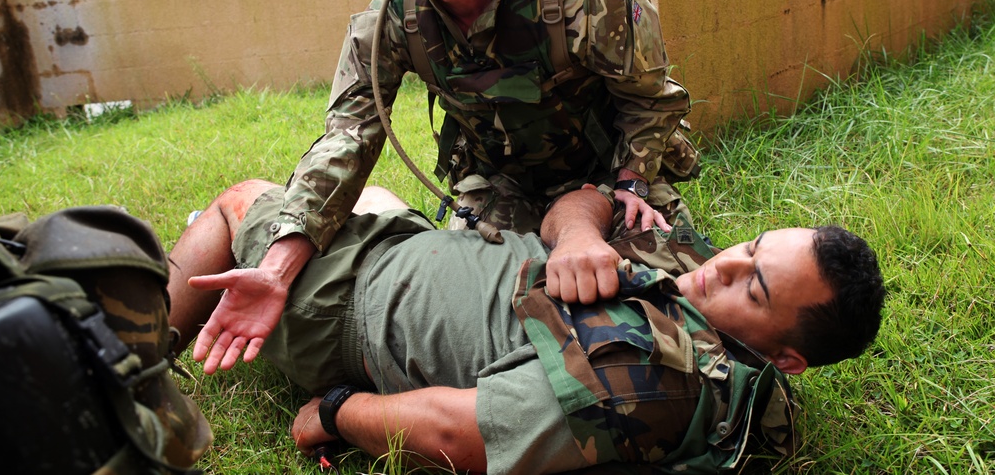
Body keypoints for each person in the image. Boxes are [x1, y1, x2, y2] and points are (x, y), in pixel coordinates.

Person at [230, 0, 702, 356]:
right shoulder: (390, 23)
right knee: (479, 308)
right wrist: (278, 266)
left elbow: (653, 102)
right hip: (501, 185)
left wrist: (631, 182)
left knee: (674, 292)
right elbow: (347, 142)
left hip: (607, 178)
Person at [167, 180, 886, 474]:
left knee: (241, 203)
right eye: (750, 247)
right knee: (368, 193)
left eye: (753, 288)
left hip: (356, 305)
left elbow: (461, 432)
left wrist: (331, 412)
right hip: (420, 251)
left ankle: (138, 350)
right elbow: (589, 199)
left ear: (786, 357)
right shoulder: (705, 285)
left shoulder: (646, 379)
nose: (722, 267)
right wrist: (577, 235)